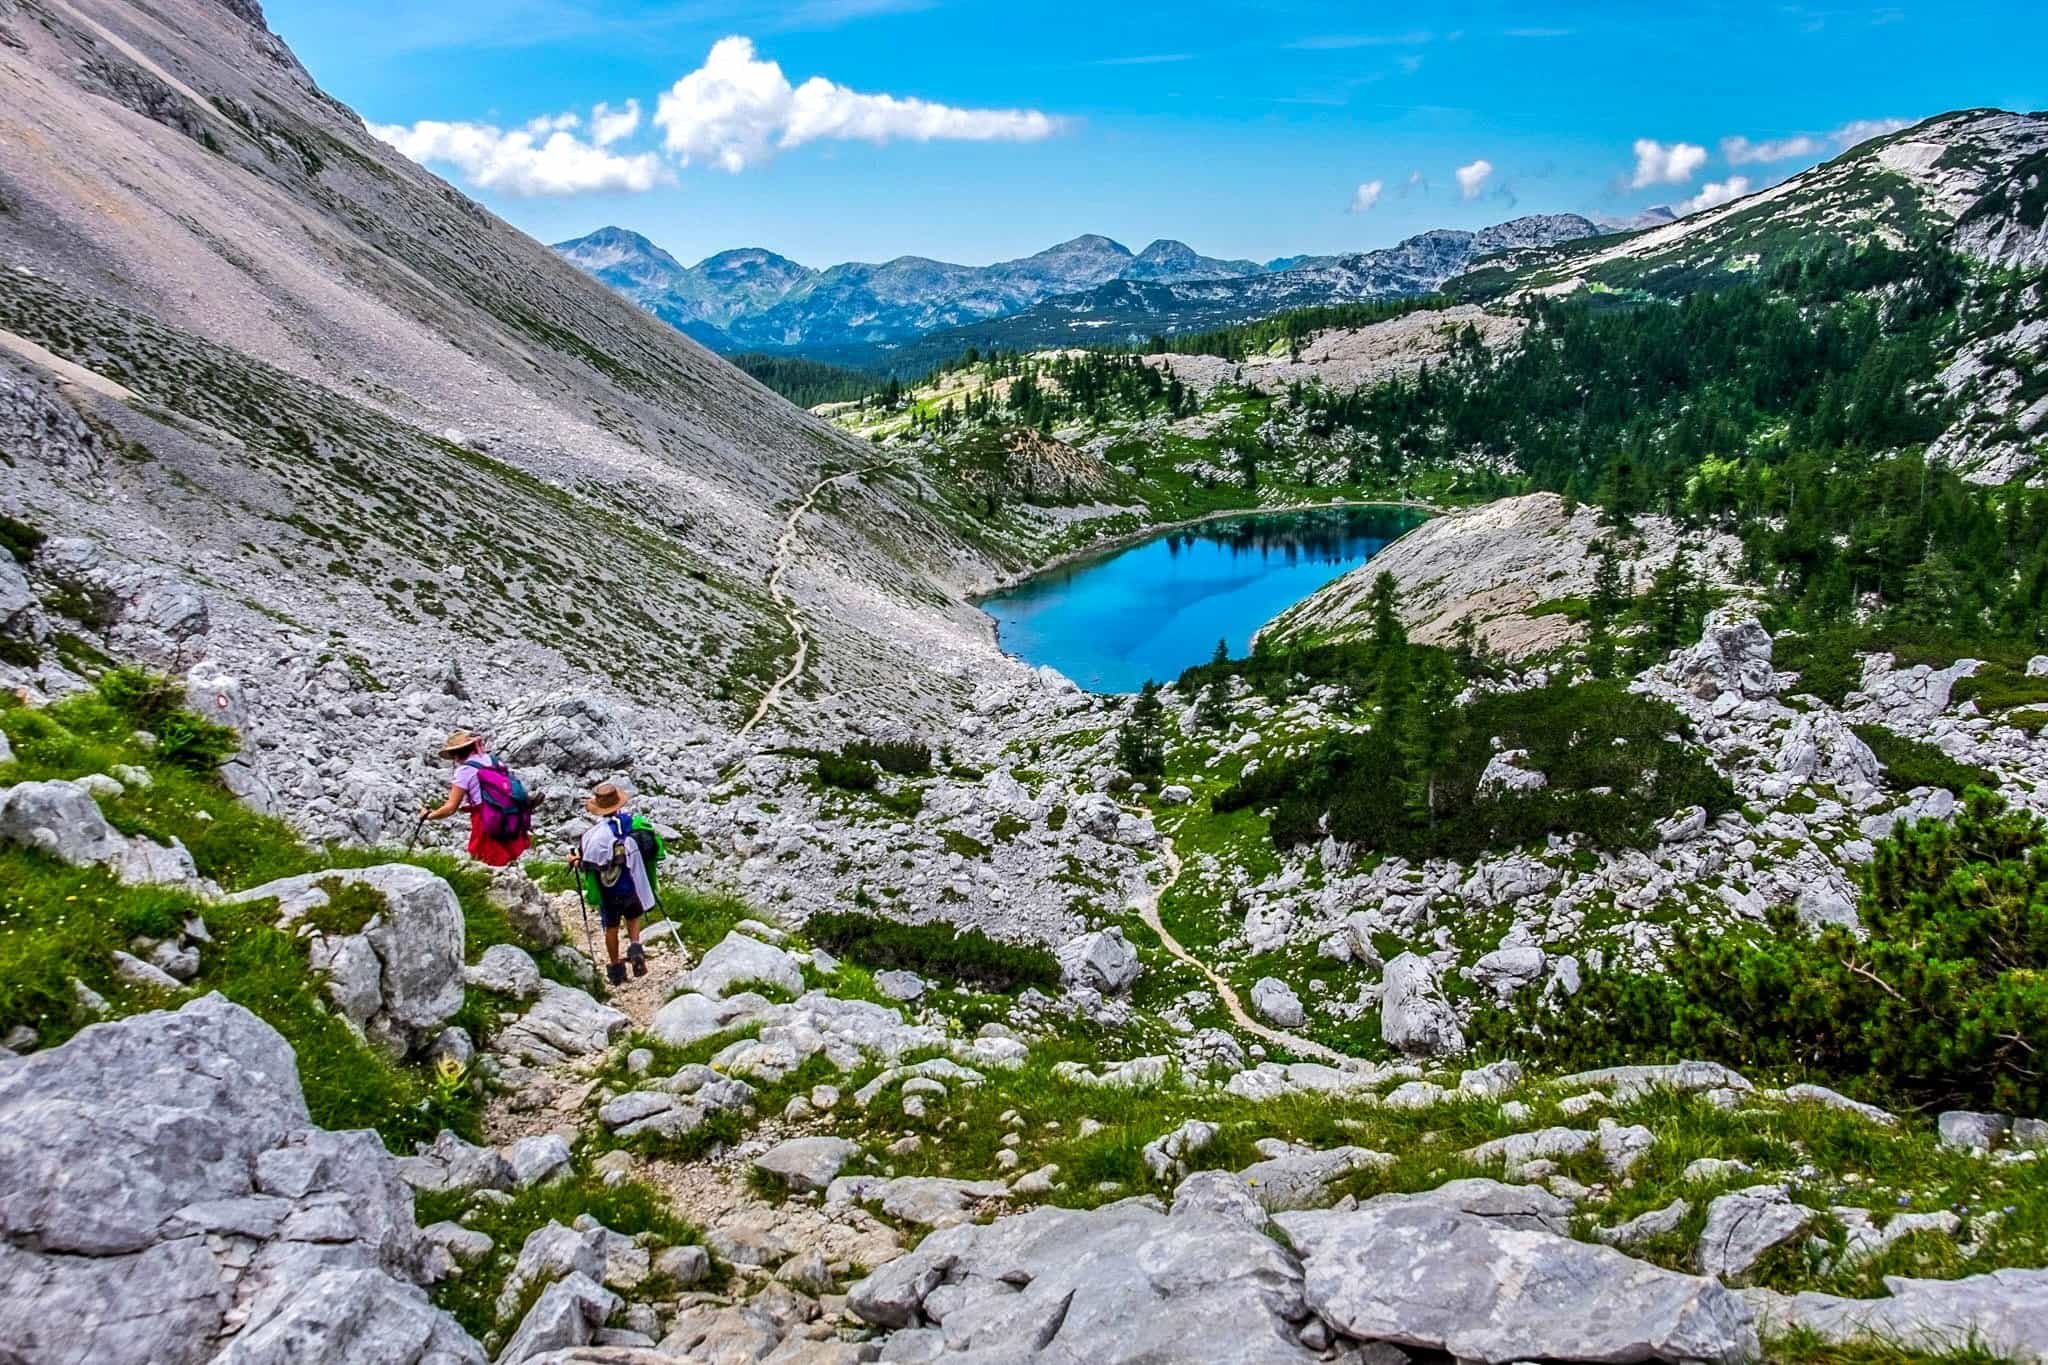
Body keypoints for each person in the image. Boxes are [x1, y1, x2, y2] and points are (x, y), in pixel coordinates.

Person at [570, 782, 664, 985]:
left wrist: (575, 862)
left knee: (611, 926)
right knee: (633, 917)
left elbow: (588, 863)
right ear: (618, 805)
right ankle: (636, 947)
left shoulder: (593, 836)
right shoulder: (632, 823)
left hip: (609, 889)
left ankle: (616, 970)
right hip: (631, 883)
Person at [418, 730, 533, 867]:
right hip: (507, 815)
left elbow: (450, 808)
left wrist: (429, 816)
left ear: (456, 753)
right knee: (506, 858)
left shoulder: (464, 771)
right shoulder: (493, 761)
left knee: (486, 860)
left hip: (485, 817)